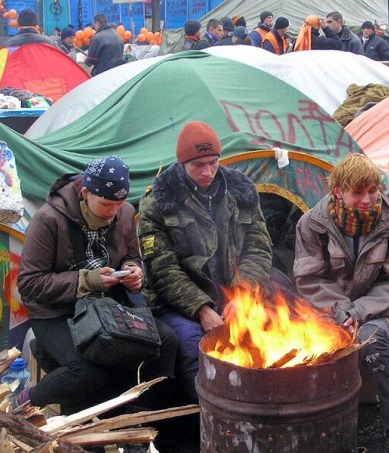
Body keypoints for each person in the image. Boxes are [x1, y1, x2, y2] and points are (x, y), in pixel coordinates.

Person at [16, 156, 178, 414]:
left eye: (119, 204)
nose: (113, 211)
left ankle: (135, 411)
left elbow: (131, 256)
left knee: (164, 341)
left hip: (106, 304)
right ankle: (24, 401)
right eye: (105, 204)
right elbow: (29, 283)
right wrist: (87, 280)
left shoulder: (125, 213)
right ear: (86, 192)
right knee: (87, 370)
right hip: (57, 311)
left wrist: (134, 271)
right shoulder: (48, 219)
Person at [138, 121, 273, 403]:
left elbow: (258, 248)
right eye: (198, 165)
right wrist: (201, 309)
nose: (207, 172)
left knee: (266, 330)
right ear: (182, 164)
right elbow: (162, 269)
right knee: (195, 346)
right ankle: (207, 417)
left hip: (233, 291)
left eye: (213, 163)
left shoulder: (241, 191)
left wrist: (243, 294)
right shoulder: (159, 201)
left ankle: (259, 407)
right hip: (179, 302)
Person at [294, 154, 389, 453]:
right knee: (306, 346)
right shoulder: (313, 224)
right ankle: (314, 432)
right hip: (328, 308)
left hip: (379, 308)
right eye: (358, 192)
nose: (367, 200)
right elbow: (310, 279)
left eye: (372, 191)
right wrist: (341, 311)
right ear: (338, 191)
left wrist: (358, 311)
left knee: (370, 340)